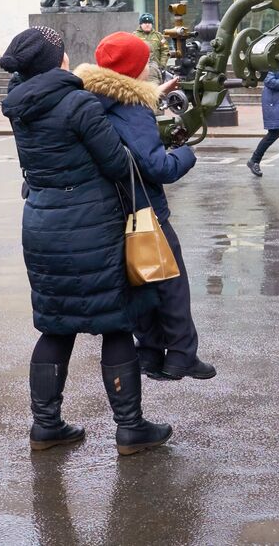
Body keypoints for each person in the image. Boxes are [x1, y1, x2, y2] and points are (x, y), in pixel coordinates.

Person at [0, 26, 172, 455]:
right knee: (114, 322)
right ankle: (130, 428)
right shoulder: (77, 103)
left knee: (55, 326)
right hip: (92, 226)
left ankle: (45, 425)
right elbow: (116, 162)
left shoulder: (19, 106)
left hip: (42, 224)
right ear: (56, 60)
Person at [77, 31, 216, 382]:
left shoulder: (87, 98)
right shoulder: (133, 109)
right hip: (145, 210)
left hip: (109, 211)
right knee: (171, 282)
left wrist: (155, 95)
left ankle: (150, 353)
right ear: (135, 69)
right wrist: (186, 154)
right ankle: (182, 357)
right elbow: (158, 167)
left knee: (139, 284)